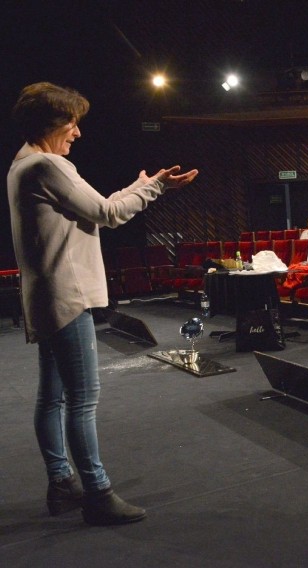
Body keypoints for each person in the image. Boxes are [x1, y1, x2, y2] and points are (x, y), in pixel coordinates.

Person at [7, 82, 198, 525]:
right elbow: (110, 215)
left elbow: (97, 207)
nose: (77, 133)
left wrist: (143, 184)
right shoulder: (47, 164)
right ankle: (96, 493)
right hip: (67, 297)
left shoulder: (23, 164)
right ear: (51, 123)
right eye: (72, 123)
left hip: (47, 295)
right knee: (82, 399)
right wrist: (157, 191)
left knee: (52, 398)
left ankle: (61, 482)